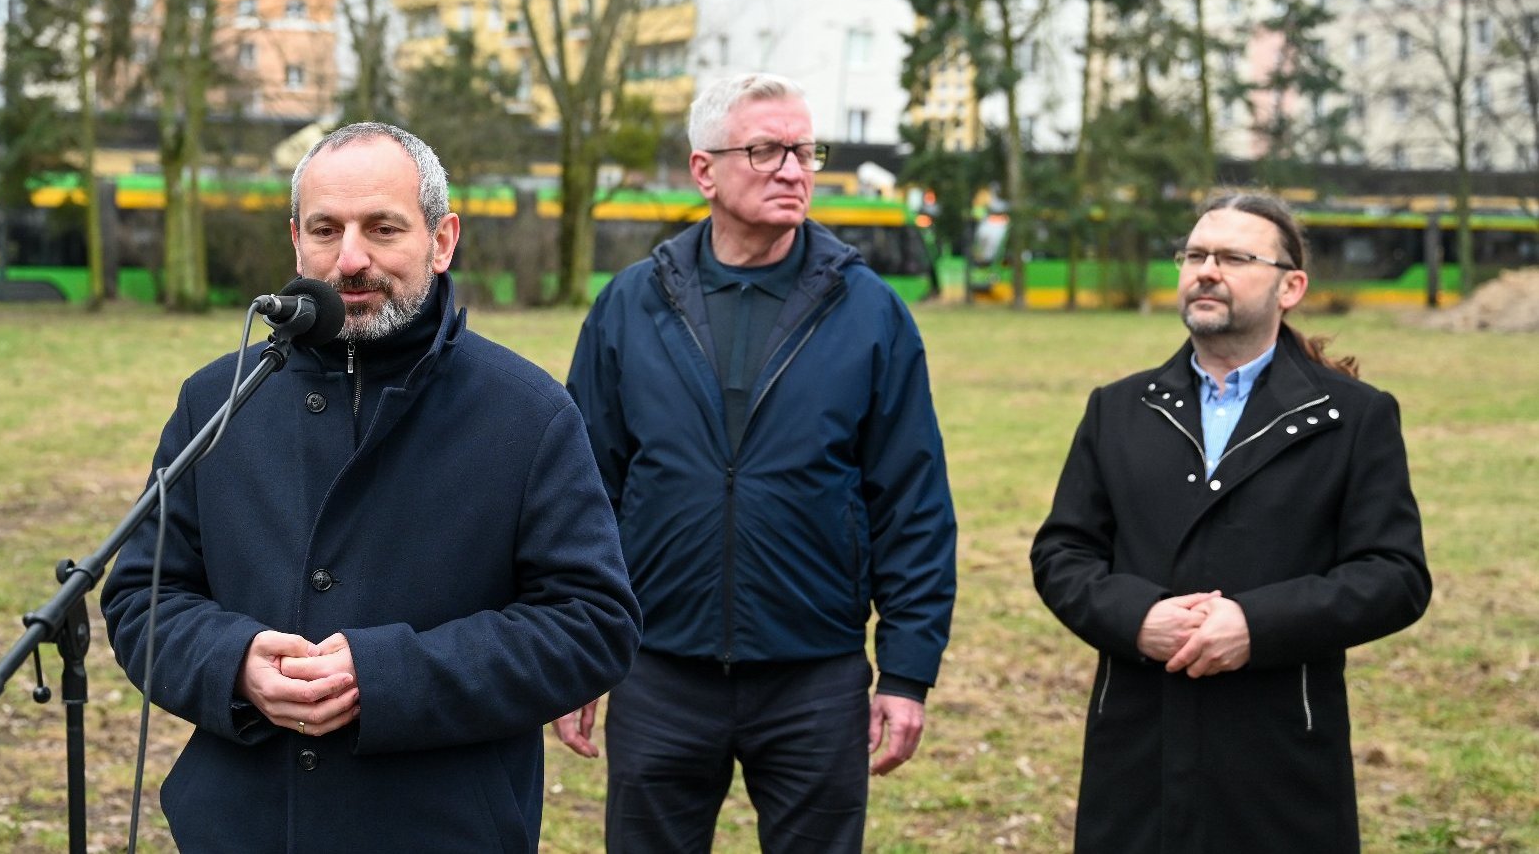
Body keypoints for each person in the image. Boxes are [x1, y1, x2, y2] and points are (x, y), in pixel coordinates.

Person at [100, 122, 641, 853]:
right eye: (326, 229)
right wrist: (234, 661)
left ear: (442, 238)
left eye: (383, 227)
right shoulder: (218, 400)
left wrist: (387, 676)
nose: (350, 258)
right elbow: (144, 595)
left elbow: (591, 623)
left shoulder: (528, 413)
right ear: (297, 240)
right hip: (243, 828)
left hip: (441, 829)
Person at [557, 72, 958, 853]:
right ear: (705, 169)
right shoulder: (628, 305)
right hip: (658, 669)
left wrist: (906, 672)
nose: (793, 168)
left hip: (815, 676)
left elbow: (911, 500)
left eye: (805, 150)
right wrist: (580, 651)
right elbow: (582, 494)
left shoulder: (870, 311)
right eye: (767, 149)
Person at [1030, 191, 1432, 853]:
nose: (1206, 270)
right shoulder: (1117, 408)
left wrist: (1256, 624)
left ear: (1290, 286)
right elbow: (1063, 553)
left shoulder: (1355, 417)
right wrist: (1139, 617)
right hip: (1137, 746)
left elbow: (1395, 575)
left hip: (1280, 753)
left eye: (1234, 257)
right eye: (1194, 254)